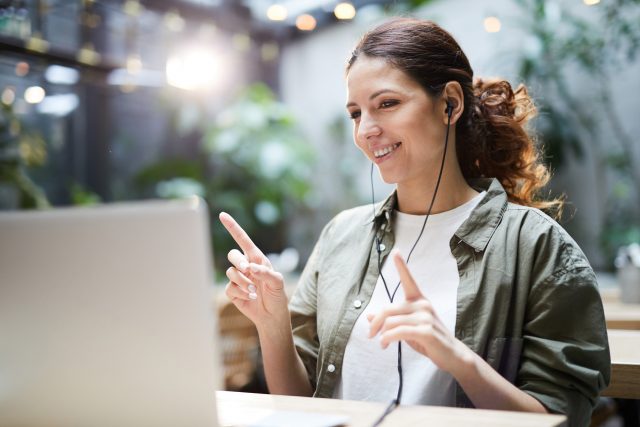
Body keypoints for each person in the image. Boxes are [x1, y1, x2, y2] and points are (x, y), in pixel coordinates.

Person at [219, 17, 610, 427]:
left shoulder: (537, 247)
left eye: (387, 103)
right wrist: (273, 324)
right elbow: (302, 404)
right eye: (356, 113)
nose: (367, 130)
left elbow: (561, 418)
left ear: (450, 104)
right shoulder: (342, 236)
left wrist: (458, 359)